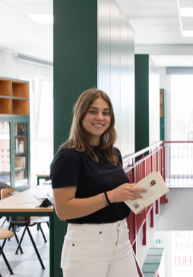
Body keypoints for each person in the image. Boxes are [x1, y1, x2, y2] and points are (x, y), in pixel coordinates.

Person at [50, 88, 146, 277]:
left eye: (105, 112)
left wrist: (133, 198)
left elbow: (115, 194)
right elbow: (63, 210)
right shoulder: (68, 156)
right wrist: (111, 196)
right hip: (87, 245)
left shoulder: (112, 153)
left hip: (121, 238)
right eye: (93, 111)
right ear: (81, 115)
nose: (100, 118)